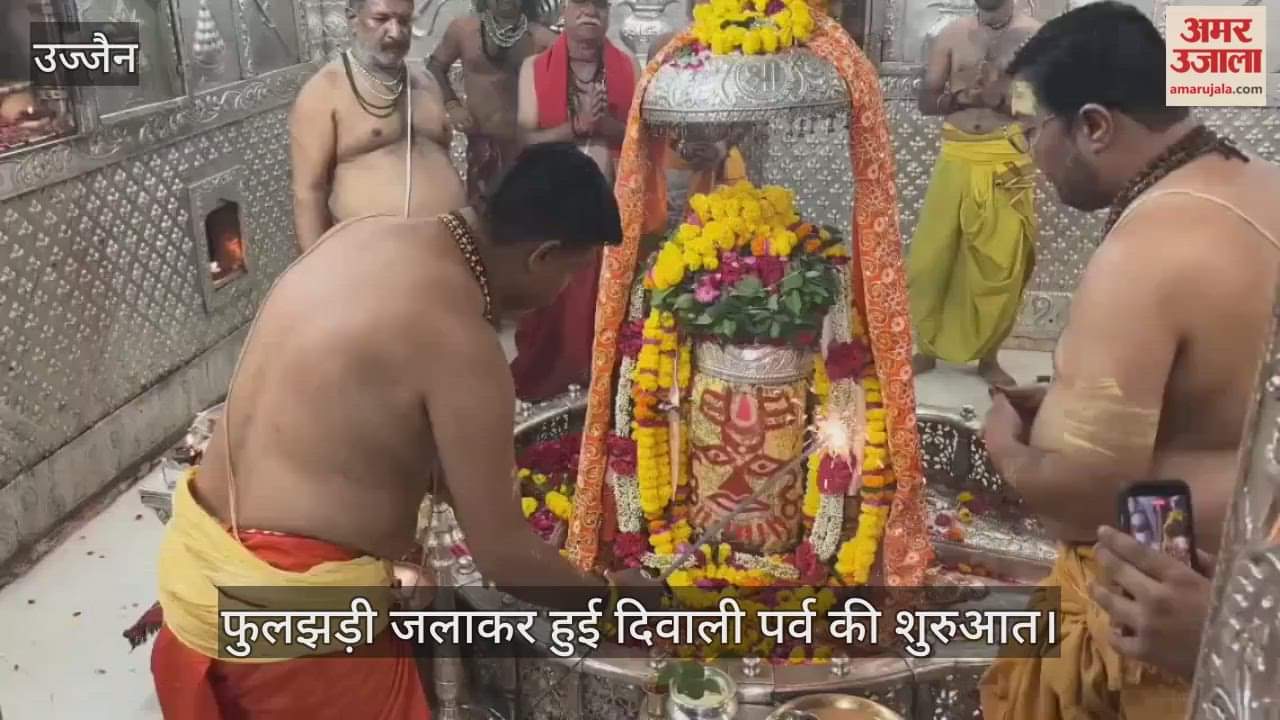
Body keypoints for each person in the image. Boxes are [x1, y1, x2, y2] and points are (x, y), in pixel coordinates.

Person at [150, 144, 645, 718]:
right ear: (543, 256)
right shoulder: (460, 340)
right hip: (294, 631)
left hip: (196, 574)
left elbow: (369, 422)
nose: (561, 295)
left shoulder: (361, 235)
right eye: (571, 276)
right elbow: (504, 556)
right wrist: (612, 601)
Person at [977, 3, 1280, 718]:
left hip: (1169, 613)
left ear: (1093, 125)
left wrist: (1001, 440)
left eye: (1031, 132)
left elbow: (1077, 495)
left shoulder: (1146, 251)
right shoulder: (1262, 183)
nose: (1028, 155)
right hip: (1249, 577)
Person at [507, 0, 641, 401]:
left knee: (606, 299)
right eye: (581, 5)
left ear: (608, 16)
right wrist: (575, 127)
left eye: (600, 6)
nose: (591, 13)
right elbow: (525, 139)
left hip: (610, 204)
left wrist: (603, 125)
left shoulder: (628, 65)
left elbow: (638, 136)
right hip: (552, 207)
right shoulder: (534, 69)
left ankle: (601, 381)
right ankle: (559, 373)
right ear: (564, 13)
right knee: (555, 299)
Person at [907, 0, 1041, 388]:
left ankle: (989, 356)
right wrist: (962, 98)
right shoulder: (950, 35)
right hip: (957, 153)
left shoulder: (1034, 38)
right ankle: (927, 347)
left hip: (1004, 154)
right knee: (932, 259)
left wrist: (1004, 94)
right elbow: (926, 101)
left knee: (1000, 263)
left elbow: (1037, 108)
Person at [289, 0, 465, 252]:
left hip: (449, 247)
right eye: (381, 19)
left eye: (404, 21)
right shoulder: (325, 91)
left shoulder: (426, 82)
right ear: (352, 19)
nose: (395, 32)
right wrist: (318, 273)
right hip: (372, 258)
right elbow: (308, 192)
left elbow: (441, 159)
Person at [426, 0, 556, 202]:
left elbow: (567, 82)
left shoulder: (542, 38)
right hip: (481, 144)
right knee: (481, 218)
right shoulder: (463, 29)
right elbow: (435, 68)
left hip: (525, 148)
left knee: (526, 221)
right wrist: (453, 106)